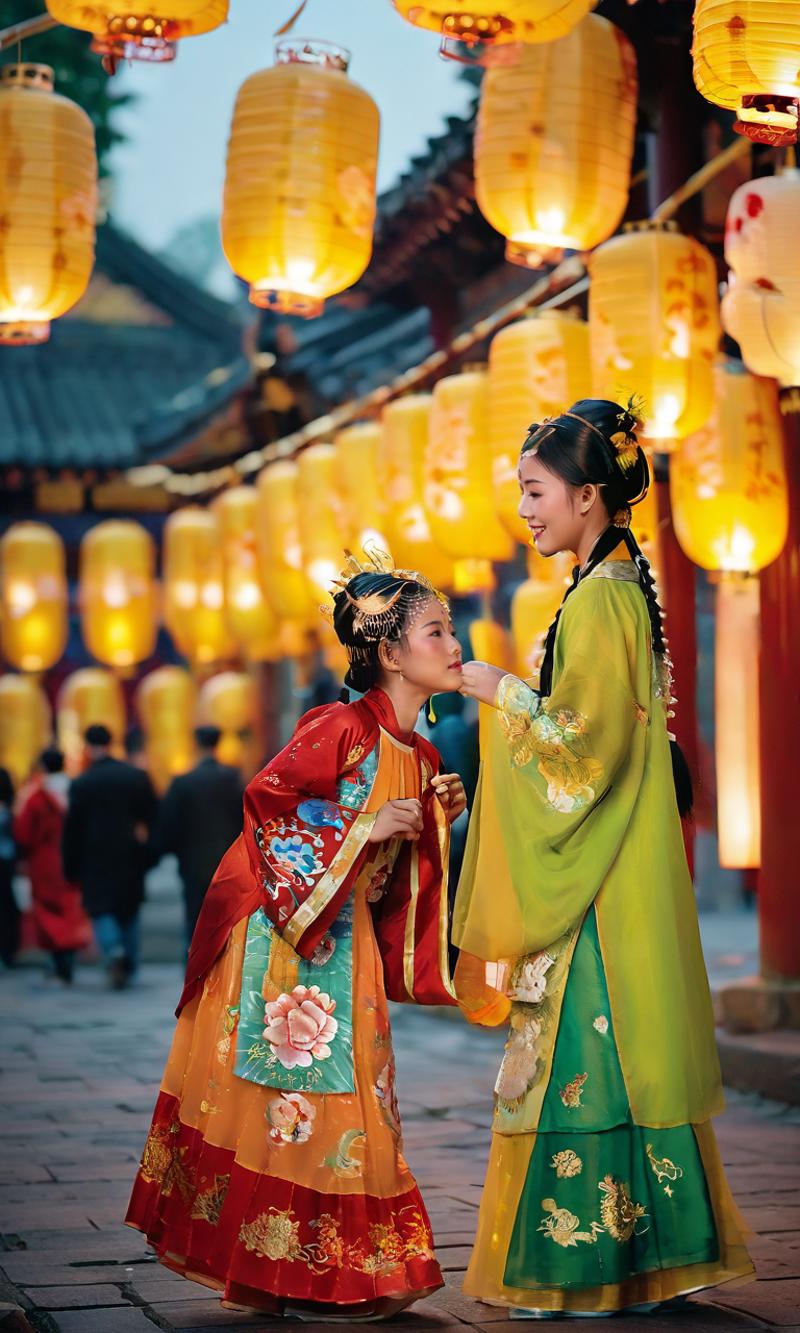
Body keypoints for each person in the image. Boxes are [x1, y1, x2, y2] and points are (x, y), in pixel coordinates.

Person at [454, 399, 753, 1317]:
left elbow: (582, 749)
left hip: (596, 873)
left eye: (537, 492)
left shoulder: (603, 598)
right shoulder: (613, 587)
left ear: (589, 497)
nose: (528, 510)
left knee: (589, 1043)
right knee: (610, 1049)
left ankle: (589, 1259)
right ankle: (646, 1251)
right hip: (613, 858)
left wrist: (503, 690)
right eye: (523, 492)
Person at [125, 551, 467, 1319]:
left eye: (451, 629)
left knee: (356, 1099)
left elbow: (400, 874)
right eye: (437, 630)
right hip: (287, 941)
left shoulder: (424, 753)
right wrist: (369, 823)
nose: (455, 644)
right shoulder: (338, 726)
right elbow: (270, 808)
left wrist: (440, 816)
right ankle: (303, 1268)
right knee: (298, 1104)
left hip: (345, 949)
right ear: (389, 651)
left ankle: (330, 1265)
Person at [62, 724, 157, 989]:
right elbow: (152, 816)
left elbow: (72, 829)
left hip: (94, 856)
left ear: (87, 746)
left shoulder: (82, 783)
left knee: (100, 908)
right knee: (129, 908)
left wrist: (70, 866)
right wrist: (151, 853)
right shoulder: (134, 777)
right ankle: (130, 962)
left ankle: (113, 949)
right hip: (129, 853)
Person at [155, 725, 244, 950]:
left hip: (193, 859)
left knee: (195, 914)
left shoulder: (184, 782)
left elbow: (169, 822)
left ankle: (194, 960)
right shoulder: (233, 780)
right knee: (226, 914)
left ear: (197, 744)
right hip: (228, 858)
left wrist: (168, 849)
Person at [14, 746, 91, 984]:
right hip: (75, 858)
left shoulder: (36, 797)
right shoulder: (77, 789)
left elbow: (24, 833)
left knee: (48, 913)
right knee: (71, 910)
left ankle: (60, 963)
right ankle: (68, 960)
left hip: (45, 861)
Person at [0, 768, 18, 970]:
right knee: (6, 907)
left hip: (5, 862)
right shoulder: (10, 811)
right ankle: (7, 951)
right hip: (6, 861)